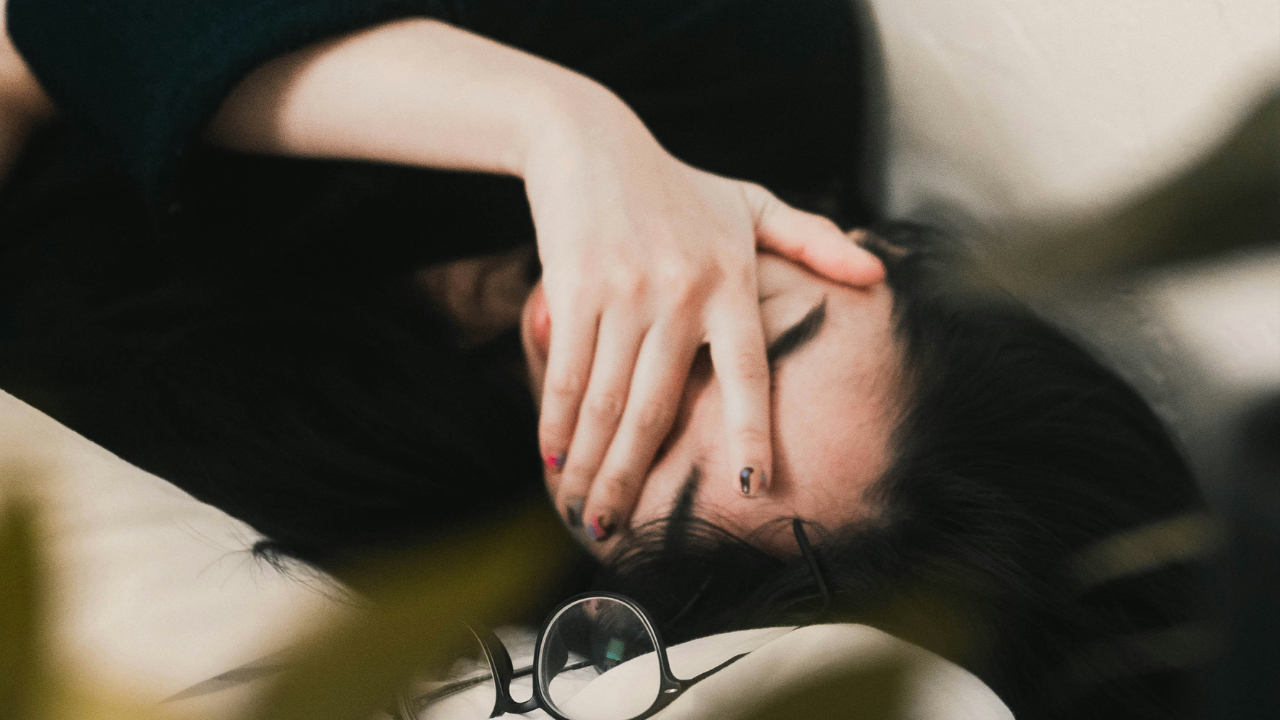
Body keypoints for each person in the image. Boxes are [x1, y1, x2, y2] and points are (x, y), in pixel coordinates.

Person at [0, 1, 1206, 718]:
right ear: (863, 250)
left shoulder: (394, 534)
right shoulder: (728, 50)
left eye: (640, 463)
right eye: (752, 335)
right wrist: (559, 127)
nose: (610, 348)